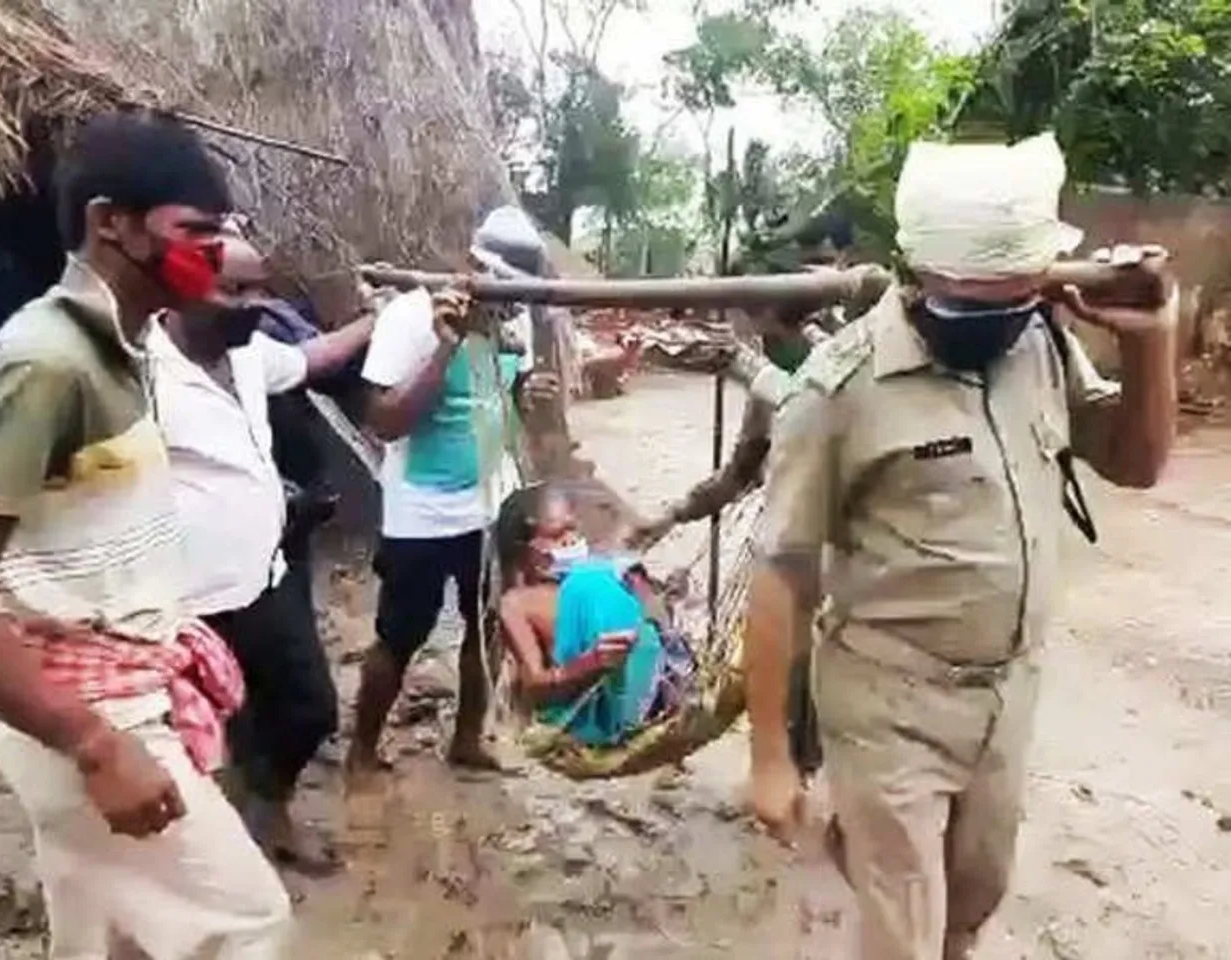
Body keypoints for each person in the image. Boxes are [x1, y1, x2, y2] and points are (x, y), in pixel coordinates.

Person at [744, 133, 1177, 960]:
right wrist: (769, 754)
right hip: (888, 705)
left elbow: (1139, 463)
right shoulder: (840, 388)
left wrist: (1155, 337)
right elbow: (783, 570)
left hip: (1007, 695)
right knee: (904, 931)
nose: (999, 320)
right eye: (977, 302)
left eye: (1019, 296)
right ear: (918, 275)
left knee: (968, 910)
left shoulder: (1041, 342)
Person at [0, 112, 290, 959]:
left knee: (109, 938)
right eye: (195, 233)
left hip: (121, 686)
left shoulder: (126, 350)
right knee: (247, 925)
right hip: (92, 711)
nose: (216, 256)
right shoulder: (44, 364)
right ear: (112, 223)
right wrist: (94, 745)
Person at [147, 229, 373, 874]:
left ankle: (268, 806)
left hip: (268, 575)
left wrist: (375, 319)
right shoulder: (138, 370)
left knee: (310, 707)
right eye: (235, 289)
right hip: (188, 600)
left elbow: (313, 358)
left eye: (260, 289)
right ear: (184, 286)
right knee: (207, 727)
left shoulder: (250, 354)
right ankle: (219, 845)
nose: (254, 304)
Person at [627, 263, 888, 777]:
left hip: (854, 550)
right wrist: (671, 516)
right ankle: (792, 771)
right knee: (786, 667)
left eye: (753, 317)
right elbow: (741, 474)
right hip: (796, 546)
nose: (750, 331)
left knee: (839, 672)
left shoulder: (851, 364)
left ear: (769, 318)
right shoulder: (771, 381)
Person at [345, 205, 552, 775]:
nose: (509, 310)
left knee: (489, 625)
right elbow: (384, 422)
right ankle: (362, 751)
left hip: (491, 504)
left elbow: (506, 398)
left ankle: (467, 739)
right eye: (501, 295)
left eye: (518, 300)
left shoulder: (515, 322)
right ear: (470, 269)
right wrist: (446, 346)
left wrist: (525, 398)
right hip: (423, 510)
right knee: (402, 633)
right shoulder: (411, 319)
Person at [495, 483, 694, 744]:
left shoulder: (608, 571)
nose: (570, 541)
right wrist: (592, 663)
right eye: (556, 535)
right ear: (524, 550)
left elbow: (654, 622)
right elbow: (536, 687)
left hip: (661, 692)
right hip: (596, 716)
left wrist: (662, 599)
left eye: (573, 529)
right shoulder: (518, 604)